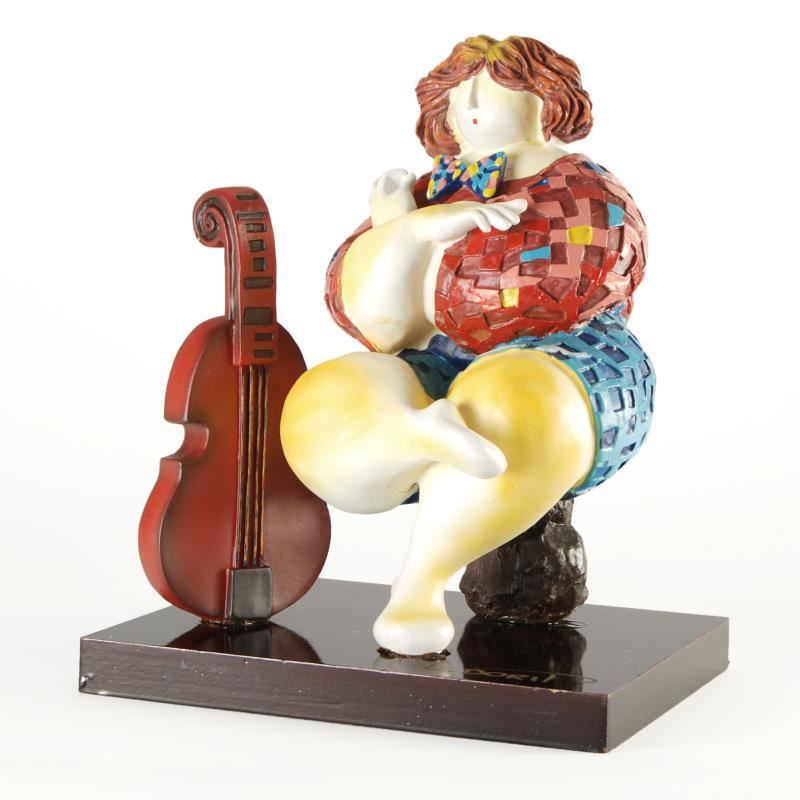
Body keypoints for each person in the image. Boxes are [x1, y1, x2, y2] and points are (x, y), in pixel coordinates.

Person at [280, 35, 654, 656]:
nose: (472, 104)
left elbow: (526, 306)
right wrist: (410, 230)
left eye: (494, 88)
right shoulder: (432, 189)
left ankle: (417, 589)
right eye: (459, 92)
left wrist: (434, 267)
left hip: (572, 365)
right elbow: (378, 326)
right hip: (438, 366)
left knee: (504, 398)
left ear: (545, 101)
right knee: (329, 397)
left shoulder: (585, 190)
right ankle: (419, 434)